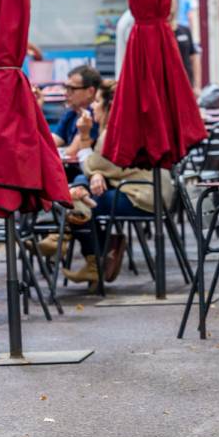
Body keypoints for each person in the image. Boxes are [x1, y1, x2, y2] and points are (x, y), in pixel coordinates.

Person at [63, 81, 173, 286]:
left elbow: (90, 163)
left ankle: (93, 256)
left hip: (143, 196)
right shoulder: (129, 126)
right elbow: (100, 167)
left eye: (97, 102)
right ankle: (97, 254)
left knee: (79, 202)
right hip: (154, 192)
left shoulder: (115, 133)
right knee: (83, 191)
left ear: (109, 106)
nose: (93, 107)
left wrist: (85, 137)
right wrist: (98, 174)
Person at [51, 66, 102, 156]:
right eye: (66, 88)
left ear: (90, 91)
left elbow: (72, 152)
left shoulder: (95, 115)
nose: (66, 93)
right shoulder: (71, 113)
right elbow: (51, 142)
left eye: (72, 89)